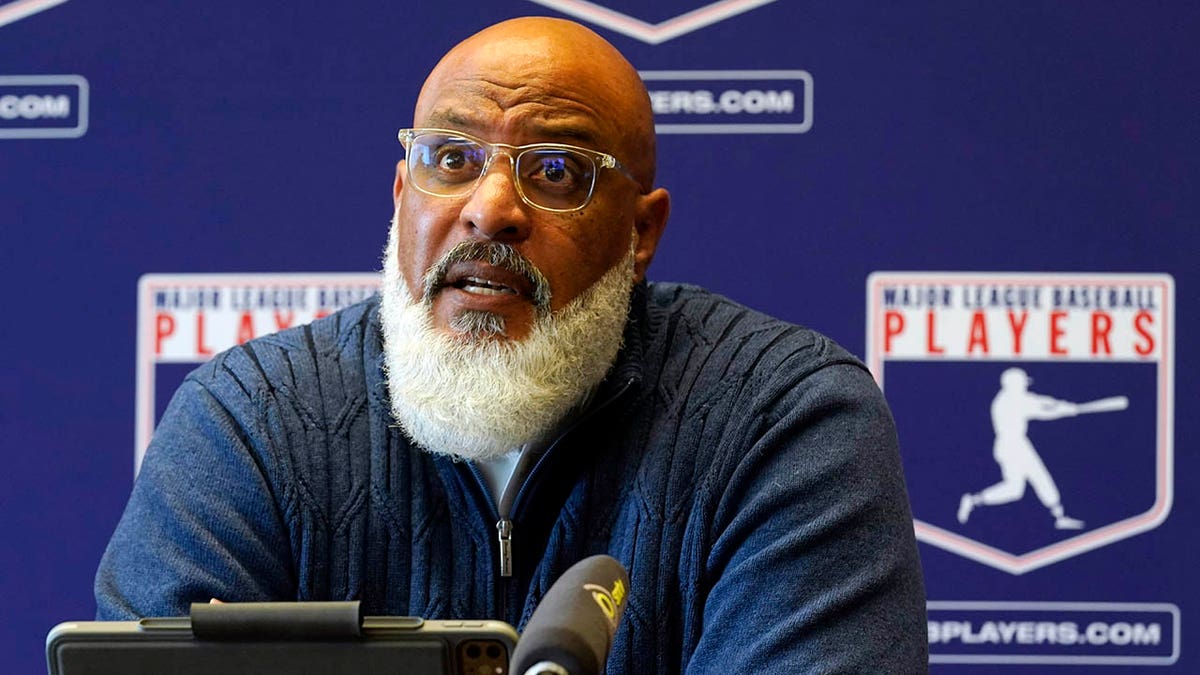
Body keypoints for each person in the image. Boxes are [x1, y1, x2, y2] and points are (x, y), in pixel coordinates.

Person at [95, 17, 928, 672]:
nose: (490, 207)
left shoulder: (783, 420)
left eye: (556, 169)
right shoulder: (250, 423)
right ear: (400, 194)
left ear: (641, 233)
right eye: (452, 159)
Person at [957, 367, 1085, 529]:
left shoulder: (1013, 397)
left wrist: (1065, 406)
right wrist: (1067, 411)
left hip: (1012, 445)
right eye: (1022, 383)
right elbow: (1042, 412)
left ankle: (973, 500)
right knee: (1036, 479)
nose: (1025, 385)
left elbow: (1042, 401)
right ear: (1013, 384)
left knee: (1016, 488)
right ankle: (1059, 517)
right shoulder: (1009, 402)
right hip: (1013, 446)